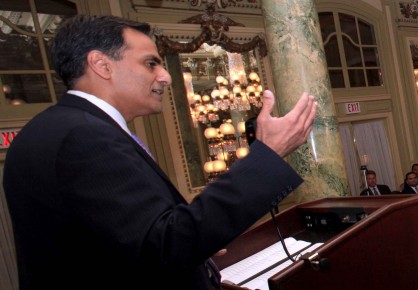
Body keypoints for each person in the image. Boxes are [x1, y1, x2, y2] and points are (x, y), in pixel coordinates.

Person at [1, 15, 318, 290]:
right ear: (101, 64)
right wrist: (268, 154)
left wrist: (197, 242)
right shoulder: (83, 137)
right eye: (150, 63)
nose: (165, 76)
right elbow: (163, 247)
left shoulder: (49, 129)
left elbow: (129, 241)